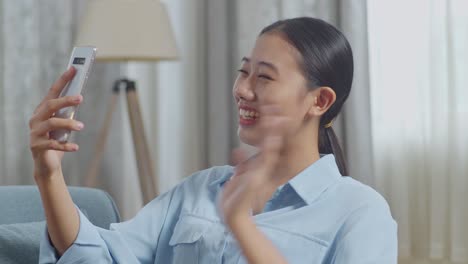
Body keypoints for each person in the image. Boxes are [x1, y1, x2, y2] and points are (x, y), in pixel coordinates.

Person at [30, 17, 397, 264]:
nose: (242, 89)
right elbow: (101, 255)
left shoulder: (359, 212)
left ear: (319, 101)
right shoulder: (202, 188)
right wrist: (49, 174)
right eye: (243, 71)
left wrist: (240, 226)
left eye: (265, 78)